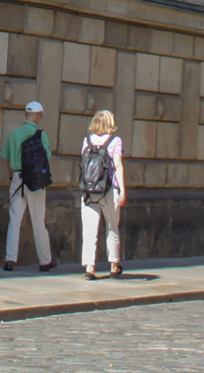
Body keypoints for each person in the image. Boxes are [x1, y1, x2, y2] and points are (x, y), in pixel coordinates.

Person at [0, 99, 55, 272]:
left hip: (18, 178)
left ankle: (10, 259)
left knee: (14, 221)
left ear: (25, 114)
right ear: (37, 116)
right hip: (36, 182)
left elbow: (7, 158)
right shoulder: (40, 135)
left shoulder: (13, 134)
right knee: (39, 221)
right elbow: (46, 157)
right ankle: (45, 261)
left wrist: (13, 177)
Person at [78, 106, 127, 278]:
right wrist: (122, 190)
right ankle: (114, 264)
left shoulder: (87, 141)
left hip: (89, 191)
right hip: (108, 189)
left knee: (90, 230)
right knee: (112, 227)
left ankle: (90, 267)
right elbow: (118, 166)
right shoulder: (115, 141)